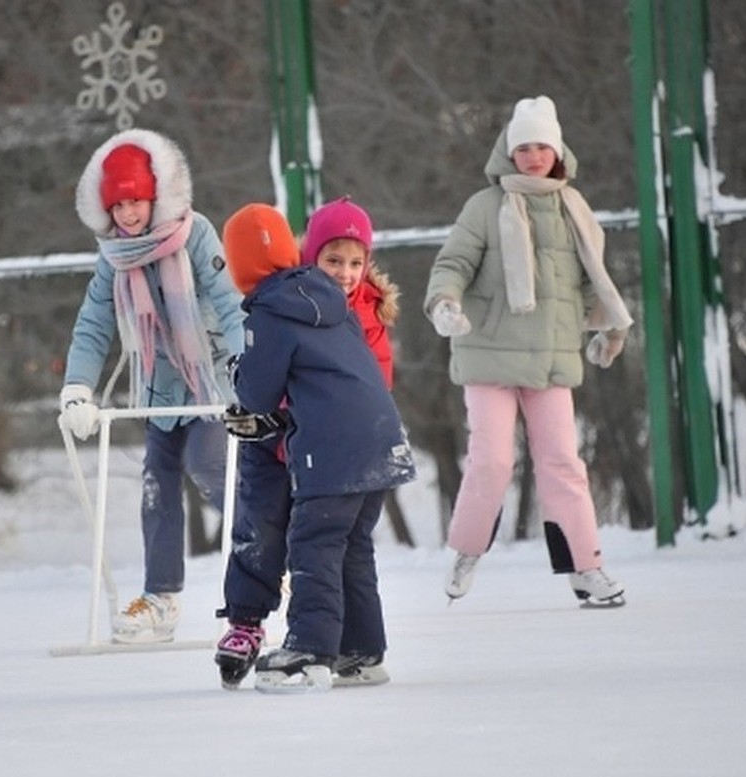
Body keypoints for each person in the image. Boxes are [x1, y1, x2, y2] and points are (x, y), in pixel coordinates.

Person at [424, 95, 634, 608]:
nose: (534, 156)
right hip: (490, 353)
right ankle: (468, 550)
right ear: (508, 153)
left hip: (552, 357)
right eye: (524, 147)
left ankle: (587, 567)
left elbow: (590, 286)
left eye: (543, 146)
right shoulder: (484, 206)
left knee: (563, 462)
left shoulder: (574, 209)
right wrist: (445, 302)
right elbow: (453, 262)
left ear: (558, 150)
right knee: (493, 460)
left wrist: (605, 328)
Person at [220, 202, 415, 693]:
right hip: (382, 441)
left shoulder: (269, 311)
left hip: (330, 455)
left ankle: (310, 650)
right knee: (352, 549)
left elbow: (257, 394)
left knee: (314, 547)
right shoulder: (335, 301)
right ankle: (362, 652)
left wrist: (236, 372)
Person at [60, 128, 244, 644]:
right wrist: (78, 388)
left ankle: (272, 560)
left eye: (136, 201)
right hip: (160, 387)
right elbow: (94, 324)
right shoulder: (114, 254)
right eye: (117, 206)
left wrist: (249, 369)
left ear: (156, 196)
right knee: (156, 483)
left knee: (210, 465)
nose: (128, 215)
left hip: (213, 378)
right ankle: (160, 598)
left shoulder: (196, 233)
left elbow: (231, 304)